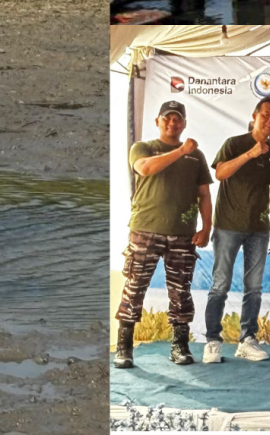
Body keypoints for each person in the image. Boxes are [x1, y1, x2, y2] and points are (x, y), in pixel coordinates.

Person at [115, 100, 212, 368]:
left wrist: (206, 227)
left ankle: (180, 347)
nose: (172, 123)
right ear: (158, 121)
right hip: (145, 229)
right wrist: (181, 150)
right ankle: (124, 348)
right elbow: (145, 168)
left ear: (184, 123)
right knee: (135, 288)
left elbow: (204, 194)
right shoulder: (143, 148)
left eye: (177, 119)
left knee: (181, 291)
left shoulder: (197, 156)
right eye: (167, 118)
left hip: (182, 234)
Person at [203, 96, 270, 363]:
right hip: (228, 226)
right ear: (254, 116)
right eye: (267, 115)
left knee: (254, 287)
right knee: (220, 285)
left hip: (260, 229)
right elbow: (220, 173)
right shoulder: (234, 143)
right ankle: (213, 341)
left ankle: (247, 339)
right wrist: (251, 153)